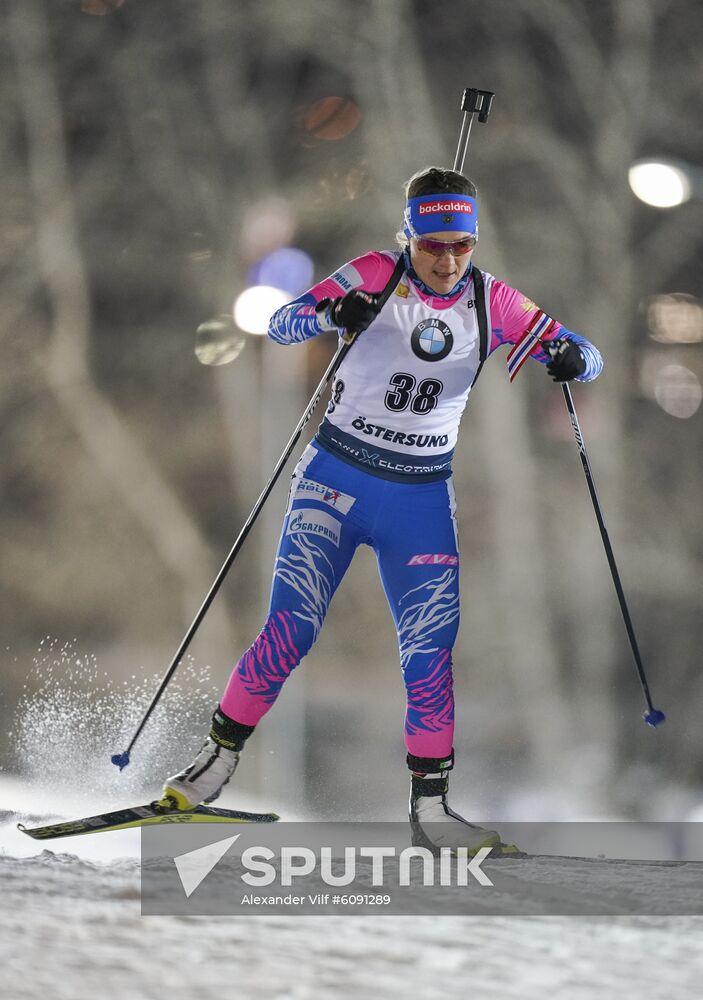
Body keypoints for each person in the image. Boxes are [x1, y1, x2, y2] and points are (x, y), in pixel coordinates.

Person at [160, 166, 602, 853]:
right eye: (433, 245)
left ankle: (430, 811)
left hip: (419, 497)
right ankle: (214, 762)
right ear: (410, 235)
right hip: (335, 479)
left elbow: (585, 353)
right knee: (291, 630)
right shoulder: (372, 271)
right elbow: (281, 322)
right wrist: (332, 313)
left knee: (428, 656)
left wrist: (574, 358)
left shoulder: (495, 302)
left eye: (462, 244)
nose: (449, 259)